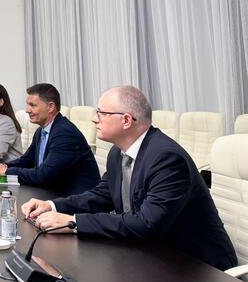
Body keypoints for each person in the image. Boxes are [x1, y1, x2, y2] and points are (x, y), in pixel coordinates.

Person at [21, 86, 237, 271]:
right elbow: (101, 195)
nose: (94, 119)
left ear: (126, 120)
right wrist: (52, 205)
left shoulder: (167, 158)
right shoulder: (118, 152)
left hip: (195, 264)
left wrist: (73, 222)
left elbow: (146, 223)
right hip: (149, 253)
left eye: (101, 113)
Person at [0, 83, 99, 196]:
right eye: (27, 105)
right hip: (53, 192)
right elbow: (27, 160)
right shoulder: (41, 131)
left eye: (33, 105)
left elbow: (44, 174)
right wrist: (2, 167)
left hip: (76, 199)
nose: (27, 110)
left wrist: (6, 171)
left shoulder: (64, 134)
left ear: (50, 107)